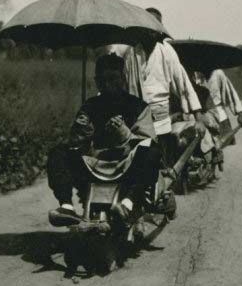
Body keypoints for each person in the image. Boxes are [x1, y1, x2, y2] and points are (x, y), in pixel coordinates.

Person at [47, 54, 175, 226]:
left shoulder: (138, 106)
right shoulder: (90, 106)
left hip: (125, 164)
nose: (108, 85)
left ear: (123, 79)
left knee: (153, 152)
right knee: (58, 153)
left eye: (113, 78)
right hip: (95, 163)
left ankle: (127, 204)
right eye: (102, 80)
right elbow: (75, 144)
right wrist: (80, 130)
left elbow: (147, 140)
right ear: (96, 82)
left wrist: (124, 134)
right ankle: (67, 207)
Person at [100, 7, 206, 164]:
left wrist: (198, 118)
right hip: (135, 114)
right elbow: (120, 83)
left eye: (155, 25)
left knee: (159, 158)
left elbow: (183, 83)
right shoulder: (131, 52)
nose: (150, 30)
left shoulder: (167, 51)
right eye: (147, 25)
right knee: (133, 156)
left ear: (160, 29)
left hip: (160, 115)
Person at [203, 68, 242, 144]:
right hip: (203, 117)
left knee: (221, 145)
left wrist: (240, 113)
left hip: (220, 116)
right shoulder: (196, 75)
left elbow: (230, 91)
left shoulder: (218, 73)